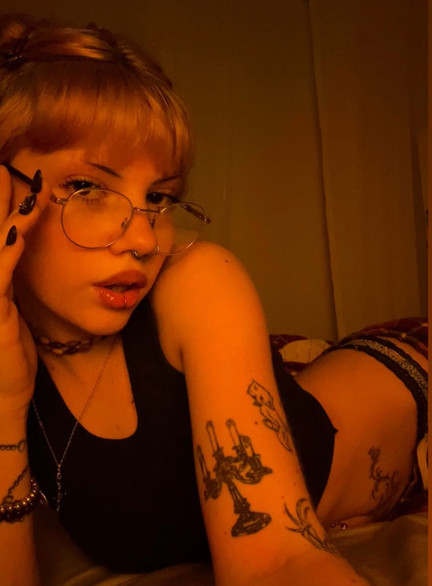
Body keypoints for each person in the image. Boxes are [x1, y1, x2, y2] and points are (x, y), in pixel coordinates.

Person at [0, 13, 427, 586]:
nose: (145, 237)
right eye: (88, 187)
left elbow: (278, 561)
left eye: (159, 197)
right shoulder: (12, 348)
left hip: (408, 374)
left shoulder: (197, 279)